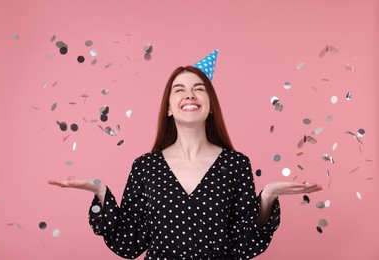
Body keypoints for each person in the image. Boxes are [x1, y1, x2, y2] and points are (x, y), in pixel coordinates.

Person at [49, 50, 322, 259]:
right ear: (169, 108)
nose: (189, 96)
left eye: (198, 89)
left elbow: (244, 244)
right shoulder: (146, 167)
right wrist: (100, 192)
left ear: (210, 106)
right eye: (179, 90)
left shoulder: (236, 164)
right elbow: (130, 243)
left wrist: (267, 197)